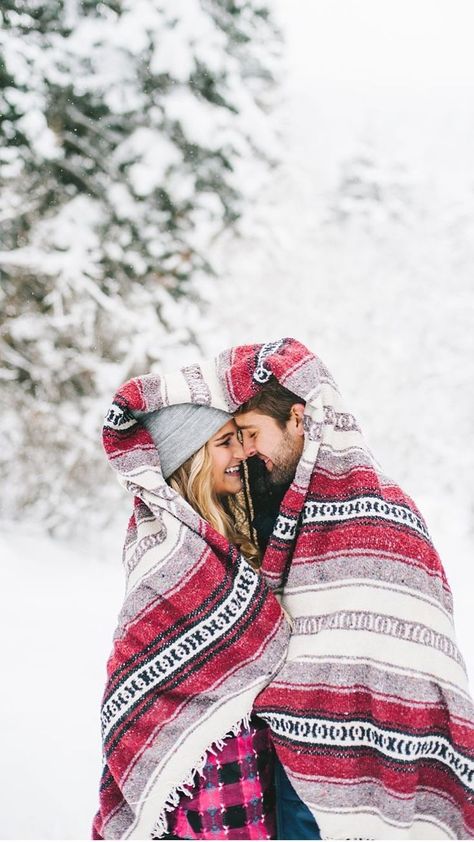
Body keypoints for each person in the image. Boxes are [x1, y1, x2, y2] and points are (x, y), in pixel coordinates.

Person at [217, 337, 474, 840]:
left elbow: (421, 629)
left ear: (298, 419)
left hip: (389, 752)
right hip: (292, 755)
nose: (246, 451)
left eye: (251, 433)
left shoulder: (383, 509)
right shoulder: (268, 504)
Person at [93, 386, 290, 840]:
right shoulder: (170, 551)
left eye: (238, 438)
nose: (242, 451)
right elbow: (137, 672)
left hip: (250, 755)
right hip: (201, 764)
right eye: (224, 443)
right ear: (190, 458)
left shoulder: (232, 537)